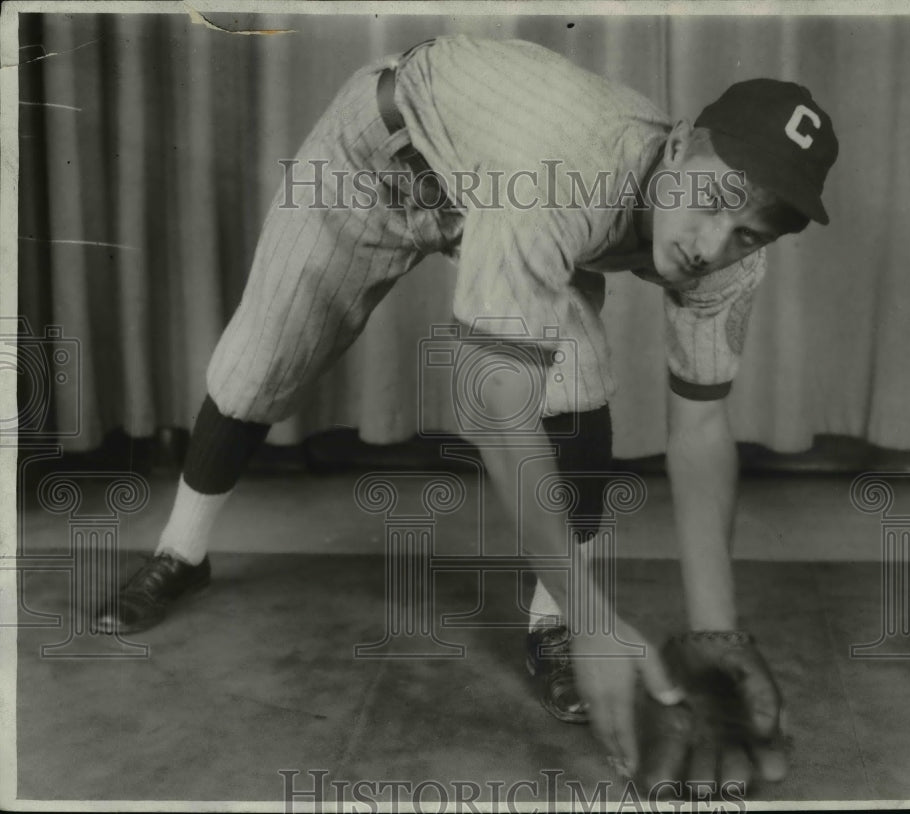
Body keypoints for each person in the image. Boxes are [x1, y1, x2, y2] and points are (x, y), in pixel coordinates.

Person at [95, 34, 838, 785]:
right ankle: (181, 554)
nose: (714, 245)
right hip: (382, 159)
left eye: (748, 231)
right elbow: (492, 404)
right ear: (678, 146)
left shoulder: (730, 261)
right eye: (712, 199)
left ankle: (552, 622)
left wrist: (718, 631)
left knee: (575, 387)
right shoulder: (566, 165)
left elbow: (701, 424)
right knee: (260, 363)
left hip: (518, 208)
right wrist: (599, 619)